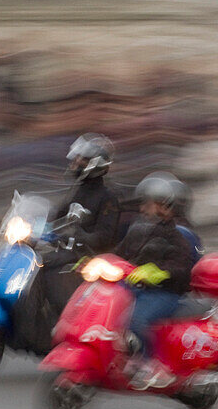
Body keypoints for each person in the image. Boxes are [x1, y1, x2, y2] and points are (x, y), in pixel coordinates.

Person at [14, 134, 121, 352]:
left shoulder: (107, 197)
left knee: (49, 271)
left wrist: (79, 236)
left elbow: (105, 236)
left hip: (89, 258)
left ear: (94, 164)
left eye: (80, 160)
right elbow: (55, 218)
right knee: (33, 265)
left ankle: (60, 328)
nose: (74, 163)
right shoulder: (79, 191)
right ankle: (29, 326)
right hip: (69, 252)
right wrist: (32, 231)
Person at [116, 171, 195, 389]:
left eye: (147, 204)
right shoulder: (138, 232)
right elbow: (119, 255)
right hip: (139, 287)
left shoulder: (179, 237)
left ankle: (156, 363)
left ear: (162, 206)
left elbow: (182, 268)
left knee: (137, 319)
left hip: (165, 293)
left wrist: (157, 272)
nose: (142, 209)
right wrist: (95, 262)